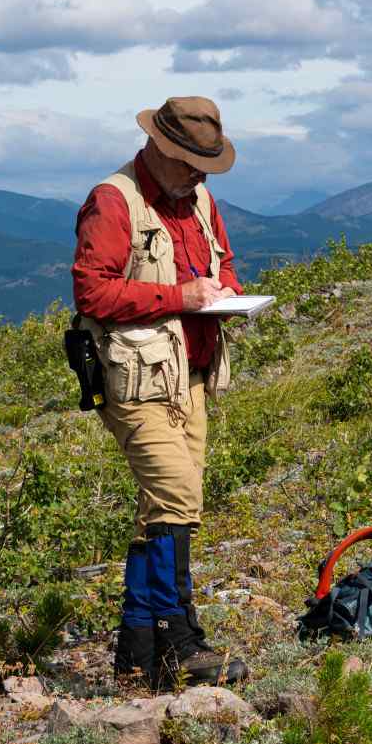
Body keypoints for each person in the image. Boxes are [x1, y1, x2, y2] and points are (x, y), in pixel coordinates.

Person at [71, 96, 249, 688]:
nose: (200, 175)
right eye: (192, 163)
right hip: (137, 381)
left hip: (192, 376)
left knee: (170, 512)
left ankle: (137, 656)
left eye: (208, 164)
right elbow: (93, 295)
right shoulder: (113, 201)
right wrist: (182, 297)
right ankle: (182, 642)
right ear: (161, 149)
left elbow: (222, 268)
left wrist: (227, 293)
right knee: (175, 498)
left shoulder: (199, 199)